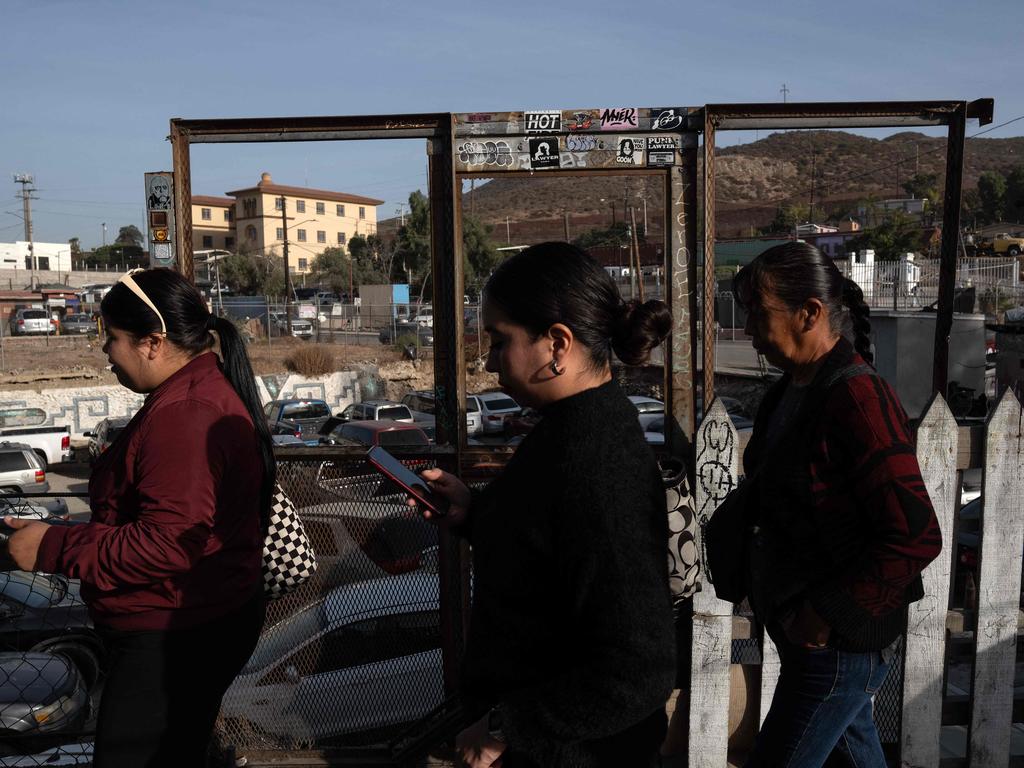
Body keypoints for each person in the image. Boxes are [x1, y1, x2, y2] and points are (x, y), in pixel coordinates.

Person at [416, 242, 677, 768]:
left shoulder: (594, 458)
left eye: (499, 341)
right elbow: (549, 540)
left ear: (557, 343)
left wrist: (506, 728)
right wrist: (476, 512)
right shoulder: (571, 428)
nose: (489, 363)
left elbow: (639, 666)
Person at [5, 268, 274, 768]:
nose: (105, 352)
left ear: (153, 343)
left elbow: (167, 544)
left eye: (112, 337)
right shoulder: (193, 394)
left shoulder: (186, 413)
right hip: (191, 623)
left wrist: (51, 547)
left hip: (174, 636)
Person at [728, 242, 942, 767]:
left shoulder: (858, 398)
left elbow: (915, 535)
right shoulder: (790, 392)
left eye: (759, 312)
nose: (750, 328)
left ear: (810, 313)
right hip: (806, 638)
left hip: (837, 650)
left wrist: (824, 614)